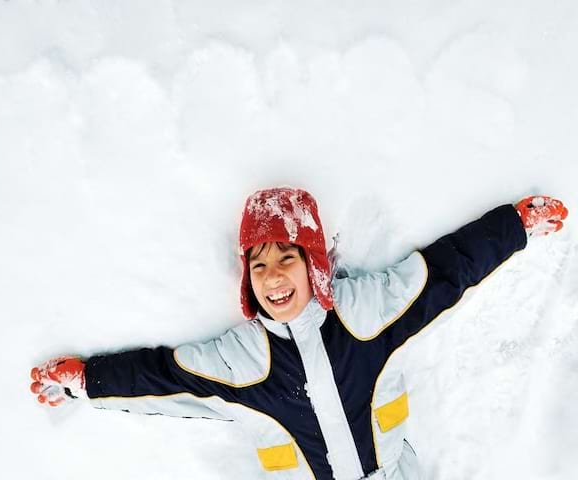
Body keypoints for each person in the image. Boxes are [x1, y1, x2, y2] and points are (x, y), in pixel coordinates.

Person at [30, 188, 568, 480]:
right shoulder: (241, 361)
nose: (273, 278)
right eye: (259, 267)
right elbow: (163, 376)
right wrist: (89, 380)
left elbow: (442, 274)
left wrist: (512, 226)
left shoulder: (367, 314)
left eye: (287, 258)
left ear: (314, 265)